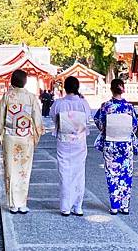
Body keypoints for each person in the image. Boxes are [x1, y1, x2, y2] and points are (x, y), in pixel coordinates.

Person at [0, 69, 44, 214]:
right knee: (24, 170)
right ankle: (22, 203)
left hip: (10, 136)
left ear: (12, 81)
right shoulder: (31, 97)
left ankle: (13, 204)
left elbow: (0, 117)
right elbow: (37, 119)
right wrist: (36, 134)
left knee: (11, 170)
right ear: (25, 82)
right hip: (26, 136)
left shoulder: (7, 96)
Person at [93, 79, 138, 215]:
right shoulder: (129, 107)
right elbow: (134, 126)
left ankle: (114, 205)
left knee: (112, 173)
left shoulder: (105, 106)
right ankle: (125, 206)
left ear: (111, 89)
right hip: (125, 143)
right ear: (123, 89)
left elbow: (99, 122)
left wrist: (108, 130)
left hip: (111, 143)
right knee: (126, 173)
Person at [49, 76, 92, 216]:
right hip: (79, 141)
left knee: (64, 172)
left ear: (65, 87)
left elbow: (53, 117)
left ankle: (65, 206)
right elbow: (87, 119)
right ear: (77, 87)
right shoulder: (83, 103)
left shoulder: (59, 103)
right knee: (79, 172)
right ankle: (78, 206)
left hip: (64, 140)